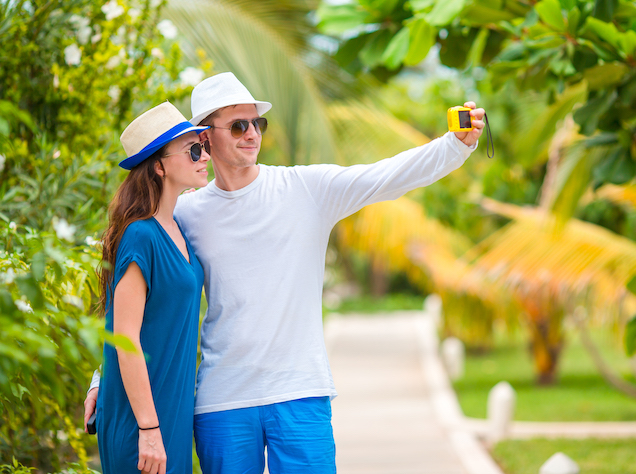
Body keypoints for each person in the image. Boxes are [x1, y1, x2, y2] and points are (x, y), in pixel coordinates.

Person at [86, 72, 485, 474]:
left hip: (300, 392)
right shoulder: (185, 214)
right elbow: (146, 308)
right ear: (204, 138)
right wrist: (105, 379)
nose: (251, 134)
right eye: (238, 125)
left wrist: (455, 146)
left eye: (257, 123)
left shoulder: (306, 189)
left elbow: (387, 176)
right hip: (222, 402)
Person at [94, 102, 209, 474]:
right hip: (142, 418)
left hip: (169, 408)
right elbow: (123, 336)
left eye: (204, 145)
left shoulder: (177, 229)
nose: (204, 155)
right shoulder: (141, 236)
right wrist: (148, 427)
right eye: (194, 150)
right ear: (159, 166)